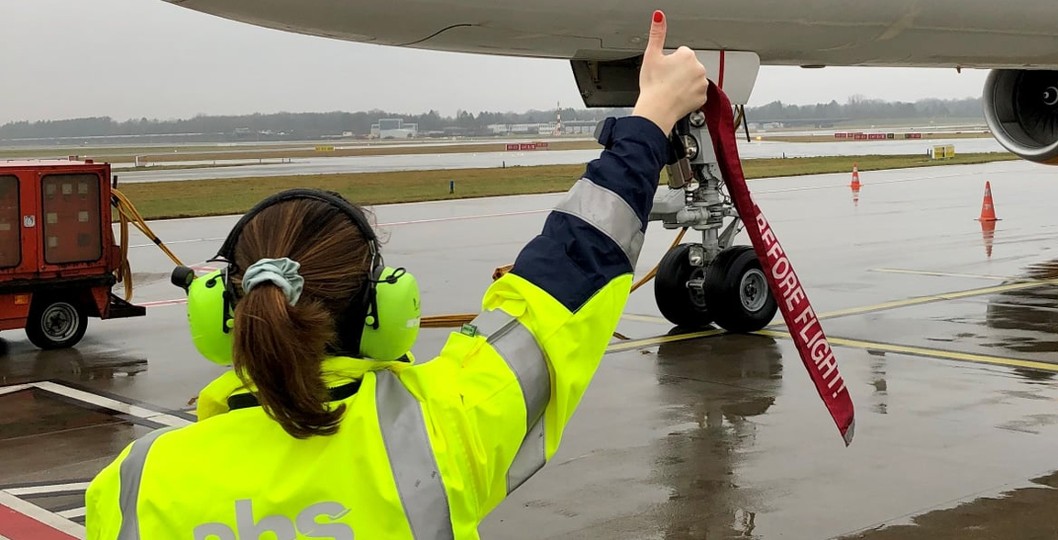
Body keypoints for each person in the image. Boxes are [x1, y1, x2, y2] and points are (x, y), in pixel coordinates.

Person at [82, 9, 708, 540]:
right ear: (382, 311)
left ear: (221, 315)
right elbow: (564, 281)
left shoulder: (135, 487)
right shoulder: (437, 435)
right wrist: (650, 119)